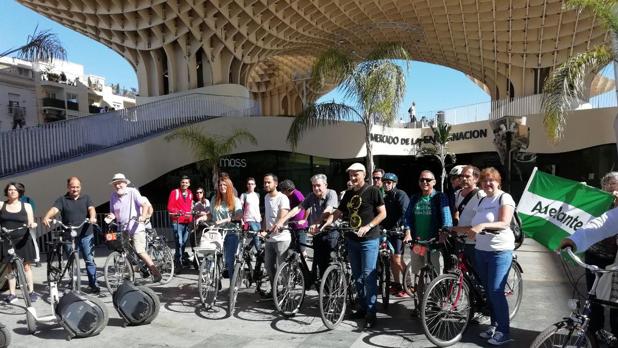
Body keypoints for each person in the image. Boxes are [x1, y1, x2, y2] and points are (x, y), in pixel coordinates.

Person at [452, 167, 515, 345]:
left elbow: (504, 222)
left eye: (491, 180)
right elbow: (473, 225)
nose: (488, 183)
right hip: (481, 250)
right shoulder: (482, 201)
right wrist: (456, 230)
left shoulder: (504, 197)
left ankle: (504, 331)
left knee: (495, 291)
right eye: (485, 181)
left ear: (498, 182)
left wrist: (481, 227)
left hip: (499, 251)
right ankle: (495, 326)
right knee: (488, 291)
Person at [560, 171, 618, 342]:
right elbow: (601, 222)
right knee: (594, 297)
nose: (610, 189)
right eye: (607, 186)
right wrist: (573, 240)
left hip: (614, 260)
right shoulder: (600, 201)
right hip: (594, 256)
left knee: (614, 300)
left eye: (614, 186)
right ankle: (594, 332)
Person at [329, 162, 386, 329]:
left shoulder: (373, 191)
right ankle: (362, 307)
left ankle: (371, 312)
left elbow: (383, 213)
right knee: (357, 276)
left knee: (368, 276)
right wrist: (324, 225)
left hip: (369, 239)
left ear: (363, 175)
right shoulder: (347, 193)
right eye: (351, 175)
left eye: (356, 174)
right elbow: (338, 212)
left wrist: (368, 226)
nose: (353, 177)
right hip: (352, 240)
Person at [42, 177, 100, 294]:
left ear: (80, 187)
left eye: (77, 187)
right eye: (72, 187)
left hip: (86, 234)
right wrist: (47, 216)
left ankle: (93, 284)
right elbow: (54, 209)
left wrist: (93, 217)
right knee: (71, 260)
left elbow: (91, 209)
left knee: (89, 260)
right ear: (68, 187)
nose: (75, 189)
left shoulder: (86, 198)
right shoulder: (62, 199)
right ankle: (73, 281)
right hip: (69, 234)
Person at [275, 174, 339, 279]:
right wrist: (281, 220)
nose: (316, 188)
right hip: (317, 232)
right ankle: (324, 290)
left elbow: (328, 210)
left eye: (318, 185)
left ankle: (333, 287)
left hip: (331, 231)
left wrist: (316, 223)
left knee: (330, 262)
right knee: (319, 262)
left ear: (325, 185)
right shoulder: (311, 196)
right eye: (313, 186)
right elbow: (298, 208)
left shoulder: (331, 193)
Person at [107, 173, 161, 282]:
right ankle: (128, 276)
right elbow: (113, 212)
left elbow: (144, 205)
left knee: (139, 250)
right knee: (125, 252)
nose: (118, 186)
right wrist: (110, 216)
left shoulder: (133, 192)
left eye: (120, 183)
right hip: (122, 229)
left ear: (125, 183)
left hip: (136, 227)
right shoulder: (113, 196)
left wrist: (143, 216)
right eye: (115, 184)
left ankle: (155, 272)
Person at [404, 170, 452, 278]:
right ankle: (419, 293)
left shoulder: (440, 197)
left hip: (434, 243)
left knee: (436, 273)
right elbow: (408, 217)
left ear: (434, 182)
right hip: (418, 242)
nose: (425, 182)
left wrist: (444, 233)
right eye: (422, 180)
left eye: (428, 180)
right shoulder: (415, 198)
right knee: (418, 272)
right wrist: (408, 233)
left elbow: (447, 216)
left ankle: (437, 293)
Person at [0, 183, 38, 303]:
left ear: (20, 192)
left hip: (23, 239)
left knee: (26, 266)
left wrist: (33, 224)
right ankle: (12, 294)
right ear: (7, 192)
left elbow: (32, 221)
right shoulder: (1, 205)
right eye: (10, 190)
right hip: (6, 240)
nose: (12, 192)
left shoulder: (26, 206)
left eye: (15, 190)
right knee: (10, 268)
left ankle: (31, 291)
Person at [380, 173, 410, 298]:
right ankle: (397, 285)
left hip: (398, 231)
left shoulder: (400, 194)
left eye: (389, 182)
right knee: (392, 259)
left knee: (398, 259)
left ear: (394, 183)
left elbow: (405, 212)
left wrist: (407, 230)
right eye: (384, 182)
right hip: (388, 231)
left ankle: (409, 286)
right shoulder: (385, 197)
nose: (386, 184)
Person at [210, 176, 242, 280]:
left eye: (225, 185)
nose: (222, 187)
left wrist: (225, 220)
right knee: (213, 257)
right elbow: (210, 214)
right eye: (220, 185)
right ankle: (215, 279)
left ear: (229, 186)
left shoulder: (235, 200)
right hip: (217, 233)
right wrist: (202, 217)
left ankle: (232, 286)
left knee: (229, 260)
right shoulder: (215, 199)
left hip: (231, 232)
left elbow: (239, 216)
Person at [263, 174, 291, 290]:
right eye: (265, 182)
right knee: (269, 266)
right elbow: (266, 216)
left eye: (268, 182)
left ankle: (286, 291)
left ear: (276, 183)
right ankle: (275, 290)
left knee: (282, 268)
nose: (266, 185)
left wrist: (271, 230)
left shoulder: (282, 198)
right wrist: (263, 229)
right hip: (270, 238)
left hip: (281, 238)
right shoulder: (266, 197)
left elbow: (282, 217)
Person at [453, 165, 485, 265]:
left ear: (476, 178)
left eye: (467, 176)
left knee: (476, 274)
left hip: (475, 242)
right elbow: (456, 212)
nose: (463, 179)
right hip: (460, 241)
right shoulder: (458, 194)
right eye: (462, 176)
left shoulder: (481, 195)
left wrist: (455, 228)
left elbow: (482, 221)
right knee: (460, 274)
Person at [167, 175, 194, 268]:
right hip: (177, 221)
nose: (184, 184)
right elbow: (170, 207)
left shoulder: (190, 193)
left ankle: (181, 259)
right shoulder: (175, 192)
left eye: (186, 182)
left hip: (187, 221)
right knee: (179, 242)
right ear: (180, 183)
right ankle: (178, 261)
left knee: (184, 242)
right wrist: (178, 212)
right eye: (183, 182)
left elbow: (190, 206)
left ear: (189, 184)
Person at [278, 180, 308, 255]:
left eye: (282, 190)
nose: (281, 192)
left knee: (301, 247)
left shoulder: (296, 193)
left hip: (300, 225)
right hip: (291, 223)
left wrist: (305, 219)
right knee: (293, 246)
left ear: (287, 190)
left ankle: (304, 259)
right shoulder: (286, 196)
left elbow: (307, 206)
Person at [17, 183, 40, 267]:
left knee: (33, 241)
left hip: (28, 225)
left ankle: (37, 259)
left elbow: (31, 211)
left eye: (19, 189)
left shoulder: (28, 200)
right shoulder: (12, 200)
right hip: (17, 226)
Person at [239, 177, 262, 250]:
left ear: (255, 185)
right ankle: (259, 252)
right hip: (248, 219)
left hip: (257, 219)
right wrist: (241, 220)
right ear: (247, 185)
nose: (250, 185)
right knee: (256, 234)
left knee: (258, 236)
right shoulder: (244, 195)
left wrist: (260, 216)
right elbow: (240, 209)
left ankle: (247, 249)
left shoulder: (257, 195)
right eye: (249, 184)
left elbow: (257, 207)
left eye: (252, 184)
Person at [190, 186, 210, 253]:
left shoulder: (206, 201)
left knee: (199, 240)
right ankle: (195, 256)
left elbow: (207, 212)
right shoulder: (196, 203)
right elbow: (193, 214)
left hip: (205, 224)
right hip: (197, 225)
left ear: (203, 193)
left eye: (200, 192)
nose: (198, 194)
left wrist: (198, 213)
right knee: (192, 237)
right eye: (197, 193)